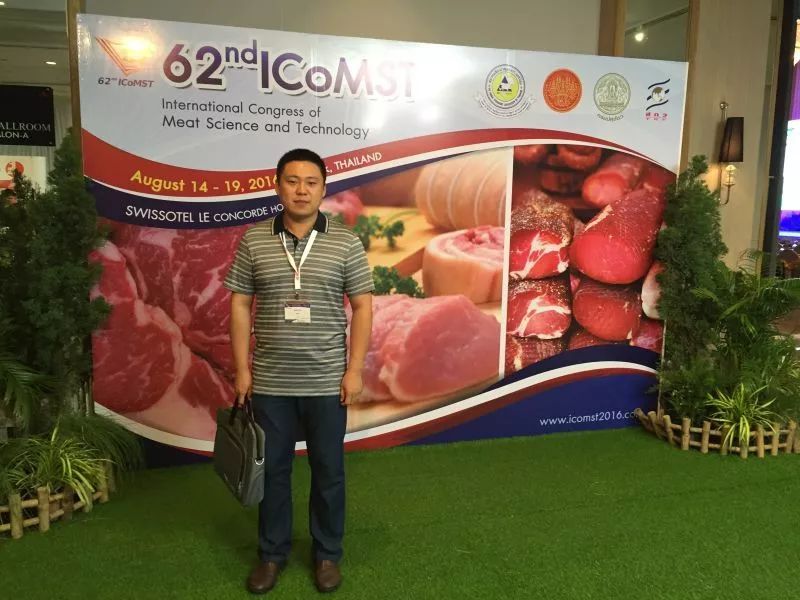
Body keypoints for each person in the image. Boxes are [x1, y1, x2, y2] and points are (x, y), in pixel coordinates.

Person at [223, 148, 374, 594]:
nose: (301, 190)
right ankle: (272, 555)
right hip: (270, 382)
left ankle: (327, 553)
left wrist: (354, 369)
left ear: (324, 189)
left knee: (329, 471)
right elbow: (239, 304)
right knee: (273, 472)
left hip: (327, 381)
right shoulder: (254, 240)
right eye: (292, 181)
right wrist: (241, 369)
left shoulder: (346, 242)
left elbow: (364, 306)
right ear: (278, 186)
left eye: (311, 182)